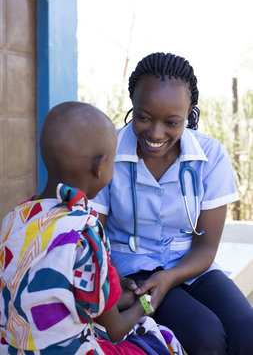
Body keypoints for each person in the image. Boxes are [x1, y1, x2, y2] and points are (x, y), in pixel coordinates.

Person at [89, 52, 253, 355]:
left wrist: (169, 277)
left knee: (248, 329)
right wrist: (115, 283)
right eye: (144, 117)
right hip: (132, 273)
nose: (155, 133)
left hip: (192, 266)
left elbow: (205, 248)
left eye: (172, 122)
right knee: (205, 337)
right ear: (132, 105)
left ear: (190, 112)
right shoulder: (107, 153)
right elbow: (93, 239)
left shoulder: (210, 157)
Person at [0, 102, 183, 355]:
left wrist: (114, 285)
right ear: (100, 167)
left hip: (12, 347)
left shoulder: (15, 218)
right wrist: (144, 303)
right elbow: (117, 330)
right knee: (161, 341)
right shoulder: (85, 231)